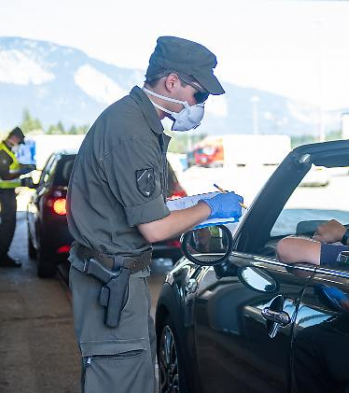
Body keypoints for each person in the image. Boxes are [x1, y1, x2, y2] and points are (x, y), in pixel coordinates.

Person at [66, 36, 243, 393]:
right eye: (199, 95)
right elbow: (154, 227)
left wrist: (189, 206)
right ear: (172, 82)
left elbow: (141, 208)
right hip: (110, 281)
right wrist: (209, 208)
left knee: (133, 375)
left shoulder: (133, 122)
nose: (199, 105)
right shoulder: (131, 131)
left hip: (117, 278)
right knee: (121, 380)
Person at [0, 126, 35, 267]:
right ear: (14, 138)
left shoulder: (7, 151)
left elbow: (13, 166)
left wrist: (27, 166)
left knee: (10, 223)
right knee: (8, 223)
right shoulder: (2, 153)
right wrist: (22, 174)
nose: (19, 146)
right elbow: (5, 175)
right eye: (19, 142)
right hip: (4, 194)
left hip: (7, 193)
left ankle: (3, 255)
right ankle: (2, 256)